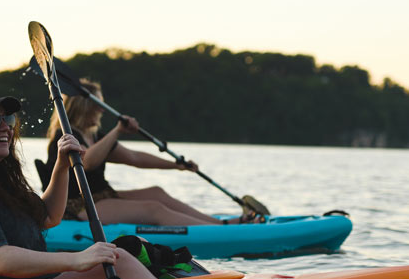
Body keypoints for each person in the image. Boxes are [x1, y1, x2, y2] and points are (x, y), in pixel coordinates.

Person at [0, 87, 156, 279]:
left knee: (136, 246)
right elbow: (0, 260)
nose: (5, 127)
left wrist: (61, 167)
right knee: (121, 260)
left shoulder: (0, 184)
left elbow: (48, 216)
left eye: (8, 119)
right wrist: (77, 260)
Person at [45, 79, 260, 225]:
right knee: (153, 208)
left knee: (156, 192)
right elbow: (87, 162)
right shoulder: (65, 136)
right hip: (78, 206)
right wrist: (118, 130)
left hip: (102, 196)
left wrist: (176, 166)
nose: (102, 109)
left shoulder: (96, 136)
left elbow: (135, 158)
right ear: (85, 106)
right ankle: (219, 231)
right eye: (98, 104)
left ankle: (221, 224)